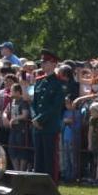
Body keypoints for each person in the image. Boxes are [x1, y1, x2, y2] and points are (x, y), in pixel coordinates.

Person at [31, 48, 65, 177]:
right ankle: (38, 185)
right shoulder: (39, 81)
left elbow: (55, 107)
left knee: (50, 159)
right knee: (38, 158)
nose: (42, 65)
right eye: (42, 62)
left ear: (54, 64)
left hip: (49, 126)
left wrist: (39, 119)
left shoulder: (59, 83)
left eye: (45, 62)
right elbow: (34, 103)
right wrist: (35, 118)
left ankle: (50, 185)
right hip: (38, 126)